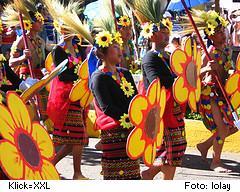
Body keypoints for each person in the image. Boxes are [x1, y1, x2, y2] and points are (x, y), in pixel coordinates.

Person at [129, 0, 187, 180]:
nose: (167, 35)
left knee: (176, 148)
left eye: (167, 31)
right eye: (162, 32)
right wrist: (181, 79)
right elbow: (158, 84)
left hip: (173, 108)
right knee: (170, 151)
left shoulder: (169, 56)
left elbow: (176, 80)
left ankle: (148, 174)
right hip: (162, 111)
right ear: (152, 35)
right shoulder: (149, 58)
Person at [45, 0, 93, 180]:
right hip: (66, 97)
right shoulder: (58, 50)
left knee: (75, 138)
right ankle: (77, 173)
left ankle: (53, 164)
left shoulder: (79, 48)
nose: (68, 31)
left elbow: (85, 68)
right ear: (60, 30)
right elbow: (62, 75)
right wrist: (80, 78)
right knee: (78, 136)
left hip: (78, 96)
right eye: (65, 28)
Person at [90, 30, 141, 180]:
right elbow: (107, 107)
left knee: (133, 174)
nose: (120, 49)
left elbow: (135, 99)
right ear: (103, 53)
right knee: (117, 175)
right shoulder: (98, 77)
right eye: (115, 47)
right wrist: (129, 119)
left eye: (119, 46)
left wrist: (139, 117)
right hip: (113, 132)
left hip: (131, 128)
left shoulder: (125, 73)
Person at [193, 10, 239, 173]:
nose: (222, 34)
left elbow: (226, 71)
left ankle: (204, 146)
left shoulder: (227, 50)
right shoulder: (210, 51)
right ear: (211, 36)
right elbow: (193, 76)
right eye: (217, 32)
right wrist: (206, 69)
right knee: (222, 129)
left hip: (221, 93)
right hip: (209, 94)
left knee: (232, 127)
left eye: (222, 30)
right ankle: (216, 162)